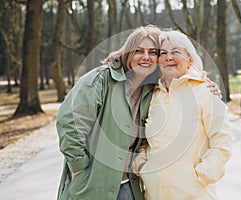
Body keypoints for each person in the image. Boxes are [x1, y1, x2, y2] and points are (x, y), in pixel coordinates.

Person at [56, 25, 221, 200]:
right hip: (92, 187)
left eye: (153, 52)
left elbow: (181, 74)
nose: (146, 57)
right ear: (128, 53)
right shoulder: (101, 79)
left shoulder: (152, 90)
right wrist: (79, 168)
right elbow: (69, 123)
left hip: (129, 186)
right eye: (139, 51)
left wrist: (205, 84)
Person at [132, 30, 232, 200]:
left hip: (194, 194)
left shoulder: (204, 92)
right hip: (155, 194)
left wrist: (200, 178)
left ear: (190, 60)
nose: (168, 57)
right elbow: (144, 141)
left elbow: (222, 142)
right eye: (163, 53)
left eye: (176, 52)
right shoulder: (152, 95)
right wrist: (141, 167)